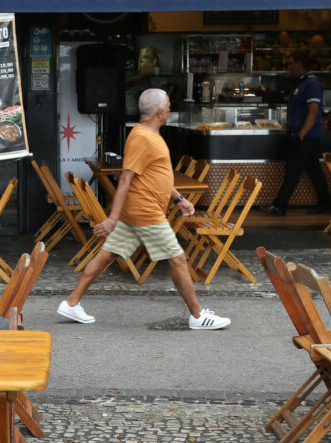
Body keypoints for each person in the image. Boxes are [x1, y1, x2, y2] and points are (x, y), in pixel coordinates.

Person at [56, 88, 231, 330]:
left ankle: (71, 302)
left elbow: (154, 174)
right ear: (160, 112)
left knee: (108, 254)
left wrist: (179, 197)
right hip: (145, 211)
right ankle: (198, 316)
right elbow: (126, 178)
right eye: (168, 105)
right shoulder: (141, 137)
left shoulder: (150, 134)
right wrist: (112, 218)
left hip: (138, 210)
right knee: (178, 258)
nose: (170, 109)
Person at [259, 51, 331, 217]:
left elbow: (313, 111)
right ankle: (327, 203)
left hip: (306, 136)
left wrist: (301, 134)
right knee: (314, 170)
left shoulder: (311, 83)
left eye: (291, 63)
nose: (289, 66)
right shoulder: (301, 83)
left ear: (300, 64)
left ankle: (280, 206)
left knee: (292, 170)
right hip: (304, 134)